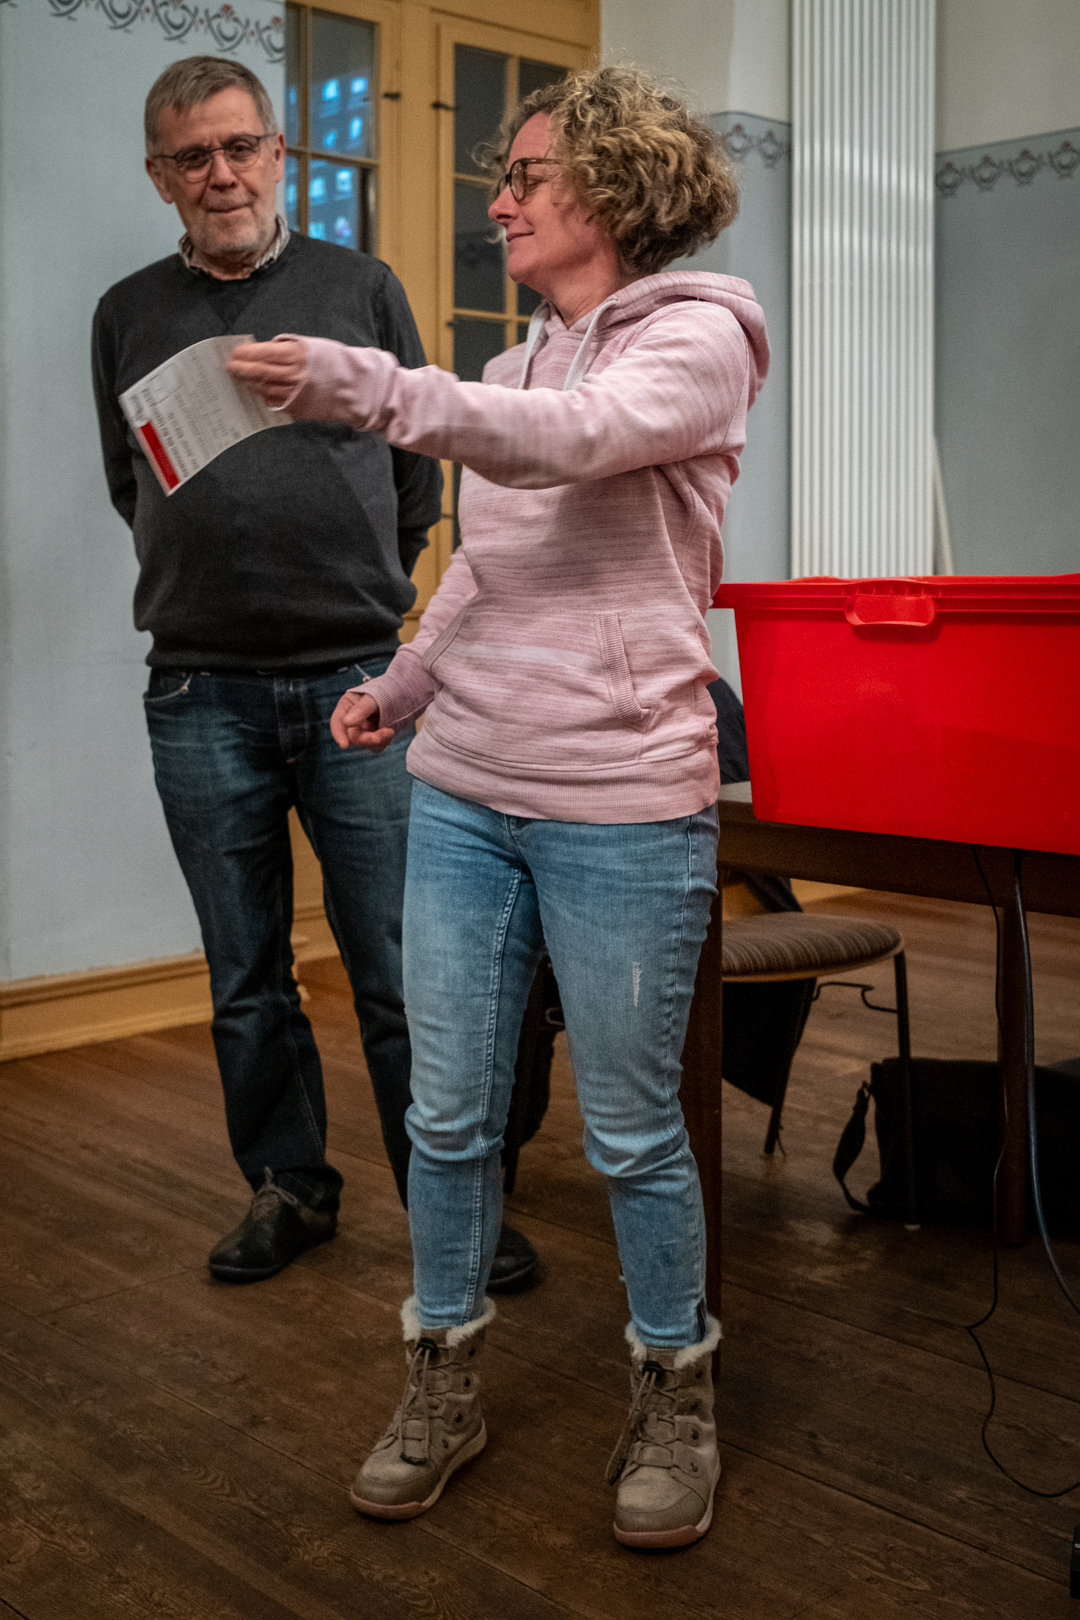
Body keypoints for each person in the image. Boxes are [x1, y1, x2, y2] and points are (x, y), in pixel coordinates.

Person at [230, 65, 767, 1547]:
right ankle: (441, 1382)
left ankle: (674, 1394)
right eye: (503, 178)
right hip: (467, 790)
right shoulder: (519, 362)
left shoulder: (702, 339)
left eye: (528, 175)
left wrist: (368, 387)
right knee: (451, 1116)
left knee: (634, 1134)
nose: (502, 202)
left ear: (617, 186)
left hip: (621, 803)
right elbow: (490, 561)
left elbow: (577, 440)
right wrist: (405, 685)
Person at [91, 55, 537, 1292]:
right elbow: (130, 480)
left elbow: (416, 474)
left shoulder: (359, 286)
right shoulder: (126, 312)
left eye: (241, 146)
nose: (221, 173)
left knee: (399, 971)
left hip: (357, 682)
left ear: (278, 155)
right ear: (161, 177)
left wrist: (364, 590)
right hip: (199, 691)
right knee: (245, 976)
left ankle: (456, 1208)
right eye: (193, 156)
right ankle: (289, 1187)